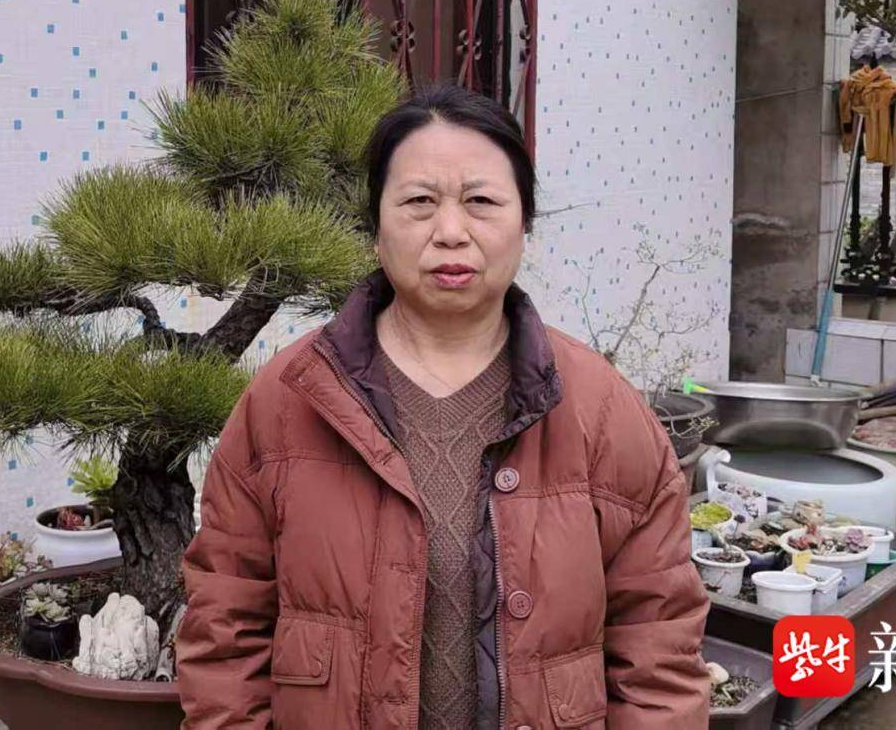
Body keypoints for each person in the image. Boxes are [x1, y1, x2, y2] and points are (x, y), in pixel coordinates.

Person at [175, 84, 710, 729]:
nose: (450, 232)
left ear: (524, 223)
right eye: (419, 202)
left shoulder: (602, 412)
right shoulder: (288, 400)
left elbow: (658, 648)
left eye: (481, 201)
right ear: (376, 228)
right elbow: (225, 632)